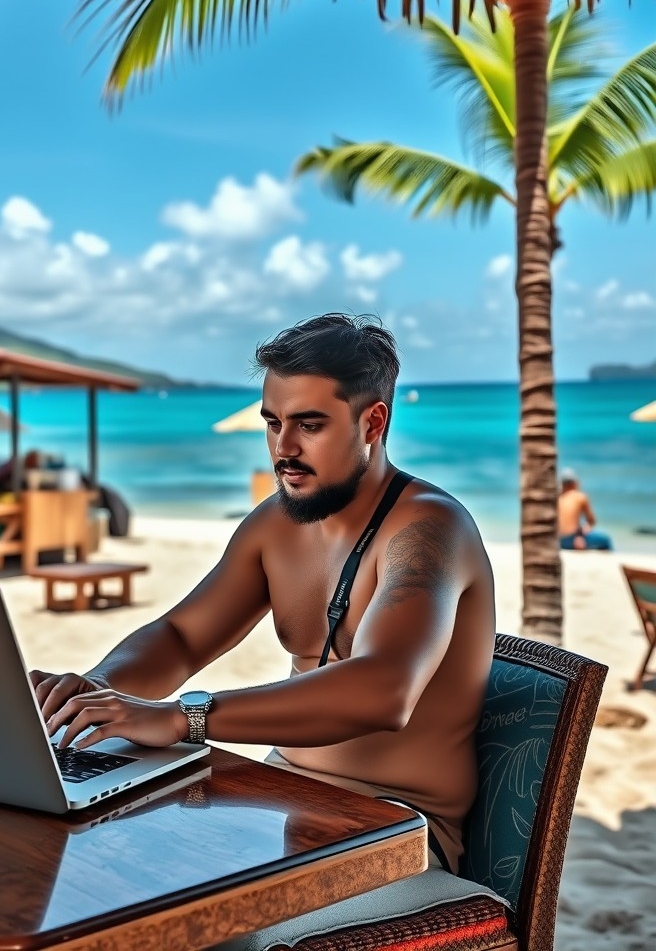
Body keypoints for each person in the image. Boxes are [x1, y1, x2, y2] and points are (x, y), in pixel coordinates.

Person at [32, 314, 496, 893]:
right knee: (76, 868)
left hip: (395, 829)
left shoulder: (429, 530)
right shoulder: (277, 524)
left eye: (310, 425)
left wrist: (183, 717)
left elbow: (386, 688)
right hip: (281, 797)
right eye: (273, 423)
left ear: (372, 421)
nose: (284, 448)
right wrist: (96, 693)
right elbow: (182, 636)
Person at [558, 468, 613, 550]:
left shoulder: (557, 497)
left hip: (557, 541)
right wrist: (580, 536)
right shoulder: (580, 496)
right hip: (571, 540)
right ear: (574, 483)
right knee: (605, 540)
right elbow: (591, 521)